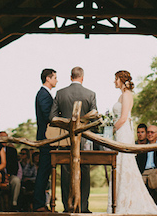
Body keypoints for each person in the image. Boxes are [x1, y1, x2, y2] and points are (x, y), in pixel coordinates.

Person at [112, 70, 157, 214]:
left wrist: (111, 129)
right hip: (122, 131)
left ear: (121, 79)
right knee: (120, 164)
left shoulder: (126, 95)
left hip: (122, 131)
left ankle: (126, 200)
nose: (114, 82)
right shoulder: (123, 95)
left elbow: (124, 118)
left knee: (124, 162)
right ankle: (119, 199)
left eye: (115, 79)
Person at [49, 66, 97, 213]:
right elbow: (95, 117)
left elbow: (52, 117)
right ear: (82, 78)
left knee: (66, 173)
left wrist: (66, 123)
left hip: (65, 140)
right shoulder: (90, 94)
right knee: (85, 173)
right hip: (85, 141)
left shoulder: (60, 93)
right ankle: (83, 207)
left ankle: (67, 206)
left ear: (71, 77)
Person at [34, 68, 57, 212]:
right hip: (46, 137)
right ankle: (38, 204)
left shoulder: (46, 94)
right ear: (48, 78)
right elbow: (49, 116)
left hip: (48, 138)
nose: (57, 80)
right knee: (43, 171)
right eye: (55, 77)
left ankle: (42, 203)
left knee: (46, 171)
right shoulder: (43, 94)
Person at [136, 124, 157, 204]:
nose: (150, 134)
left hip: (155, 170)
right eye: (148, 132)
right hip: (144, 172)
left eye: (152, 132)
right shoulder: (143, 147)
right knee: (138, 184)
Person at [0, 131, 21, 210]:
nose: (4, 139)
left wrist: (8, 176)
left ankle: (14, 203)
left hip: (9, 175)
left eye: (6, 137)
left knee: (16, 180)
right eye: (2, 137)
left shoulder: (12, 151)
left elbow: (15, 167)